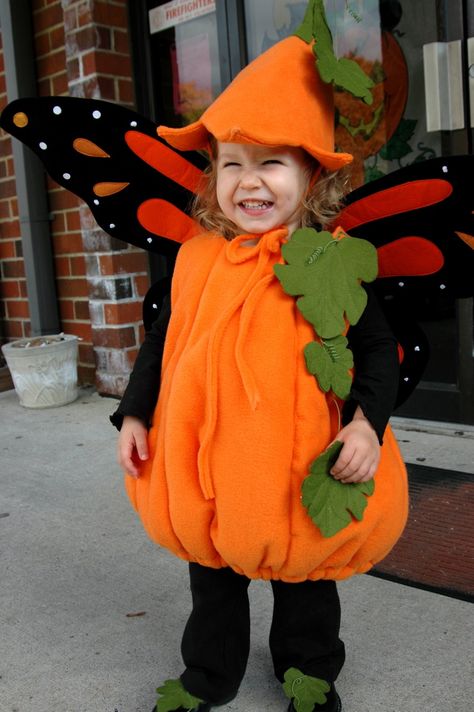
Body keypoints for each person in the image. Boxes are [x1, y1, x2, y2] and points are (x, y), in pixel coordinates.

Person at [111, 7, 408, 712]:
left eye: (272, 162)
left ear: (313, 176)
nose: (250, 180)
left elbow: (374, 351)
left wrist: (365, 424)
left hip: (298, 455)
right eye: (231, 164)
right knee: (211, 576)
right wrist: (134, 412)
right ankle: (207, 677)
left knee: (305, 578)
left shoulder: (328, 262)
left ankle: (308, 672)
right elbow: (167, 339)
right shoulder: (197, 258)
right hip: (212, 459)